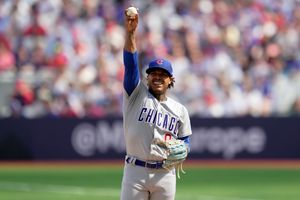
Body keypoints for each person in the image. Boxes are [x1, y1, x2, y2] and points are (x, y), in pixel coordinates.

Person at [120, 7, 192, 200]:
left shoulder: (180, 110)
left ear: (171, 80)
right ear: (147, 77)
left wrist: (185, 149)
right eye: (154, 74)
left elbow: (185, 141)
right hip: (135, 172)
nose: (158, 78)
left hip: (165, 174)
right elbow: (130, 63)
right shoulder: (135, 94)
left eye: (163, 75)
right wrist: (131, 33)